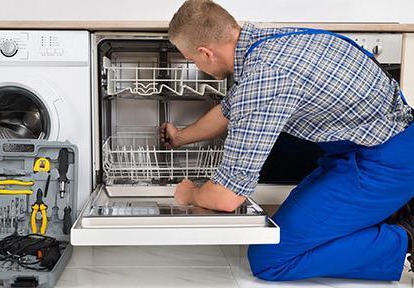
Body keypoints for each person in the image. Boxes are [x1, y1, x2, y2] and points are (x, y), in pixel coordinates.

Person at [162, 0, 414, 281]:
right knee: (297, 231)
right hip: (360, 150)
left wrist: (190, 194)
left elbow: (226, 198)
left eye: (191, 59)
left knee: (270, 260)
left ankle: (405, 239)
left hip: (387, 161)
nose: (193, 65)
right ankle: (384, 214)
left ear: (206, 53)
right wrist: (180, 137)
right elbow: (227, 111)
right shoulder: (264, 43)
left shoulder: (265, 77)